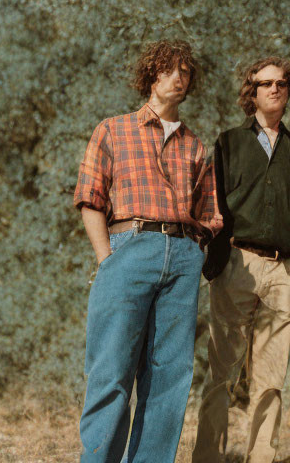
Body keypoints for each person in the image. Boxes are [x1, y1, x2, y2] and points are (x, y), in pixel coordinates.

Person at [73, 39, 217, 463]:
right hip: (127, 248)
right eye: (169, 69)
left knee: (169, 378)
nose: (178, 77)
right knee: (111, 371)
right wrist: (107, 258)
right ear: (151, 75)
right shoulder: (113, 129)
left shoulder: (195, 145)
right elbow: (89, 198)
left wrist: (194, 250)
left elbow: (210, 213)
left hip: (182, 255)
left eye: (185, 72)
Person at [194, 56, 290, 463]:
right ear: (252, 92)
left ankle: (261, 456)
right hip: (237, 264)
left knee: (271, 378)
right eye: (265, 83)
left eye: (281, 83)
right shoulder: (228, 142)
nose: (274, 89)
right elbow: (213, 205)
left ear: (288, 90)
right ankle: (209, 457)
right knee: (222, 375)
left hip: (284, 271)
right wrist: (216, 264)